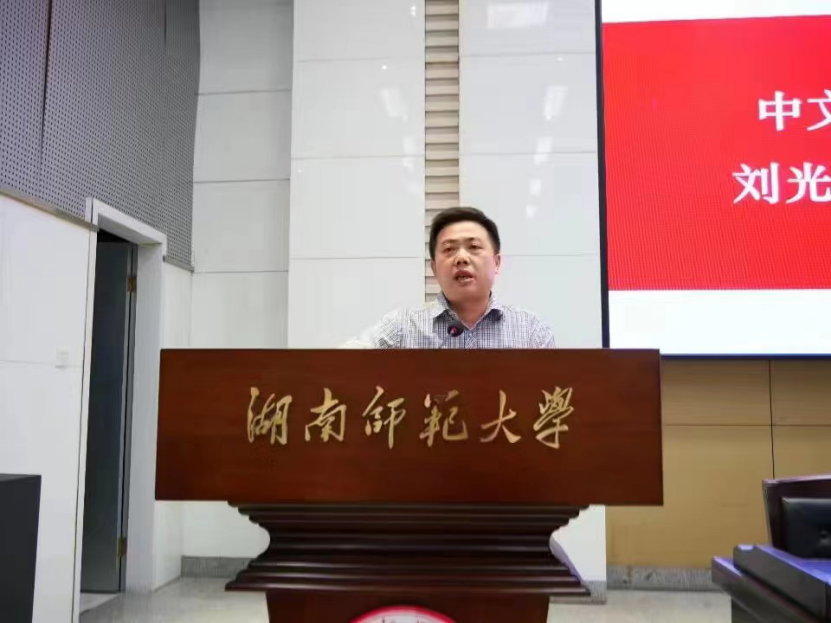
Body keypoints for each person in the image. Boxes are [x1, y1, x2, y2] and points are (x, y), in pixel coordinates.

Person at [345, 207, 556, 349]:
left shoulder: (531, 331)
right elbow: (339, 365)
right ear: (434, 268)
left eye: (474, 247)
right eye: (449, 249)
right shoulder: (403, 327)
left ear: (496, 262)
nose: (461, 258)